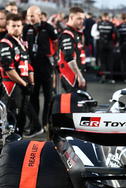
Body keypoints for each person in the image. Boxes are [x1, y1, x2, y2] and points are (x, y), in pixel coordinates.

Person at [22, 6, 58, 137]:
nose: (30, 18)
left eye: (32, 16)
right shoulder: (26, 28)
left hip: (45, 66)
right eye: (28, 16)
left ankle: (46, 123)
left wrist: (53, 56)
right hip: (32, 67)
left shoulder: (48, 28)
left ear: (39, 15)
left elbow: (56, 43)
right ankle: (35, 124)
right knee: (33, 96)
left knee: (48, 96)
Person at [0, 13, 34, 136]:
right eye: (13, 25)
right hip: (12, 87)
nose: (16, 28)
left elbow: (29, 65)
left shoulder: (22, 43)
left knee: (22, 119)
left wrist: (32, 83)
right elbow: (8, 69)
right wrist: (25, 84)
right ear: (7, 26)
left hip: (24, 85)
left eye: (18, 25)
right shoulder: (5, 42)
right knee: (11, 120)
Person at [58, 7, 86, 93]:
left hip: (77, 75)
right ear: (71, 17)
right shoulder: (67, 34)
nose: (81, 21)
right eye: (79, 18)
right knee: (75, 104)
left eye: (82, 18)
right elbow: (69, 57)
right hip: (71, 77)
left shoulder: (75, 32)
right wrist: (79, 75)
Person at [97, 12, 119, 84]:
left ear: (103, 17)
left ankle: (103, 76)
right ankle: (109, 77)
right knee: (110, 61)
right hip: (109, 44)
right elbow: (116, 34)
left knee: (102, 61)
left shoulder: (99, 24)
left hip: (101, 44)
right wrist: (115, 42)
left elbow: (96, 32)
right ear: (108, 17)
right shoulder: (111, 24)